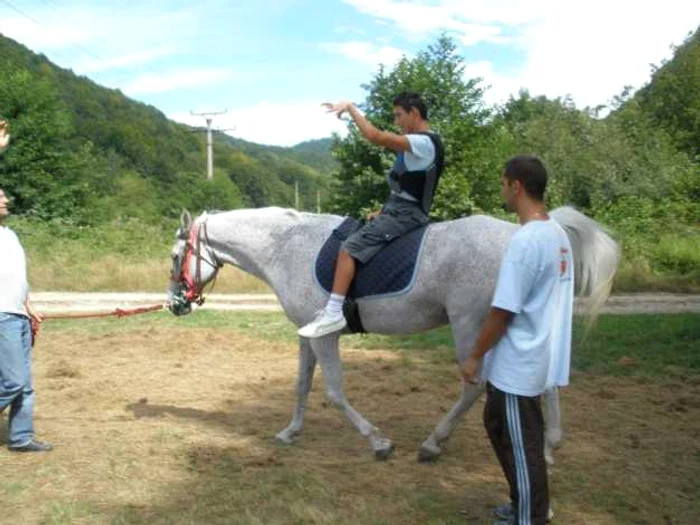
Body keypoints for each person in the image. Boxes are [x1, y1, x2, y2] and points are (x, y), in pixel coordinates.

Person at [462, 155, 573, 524]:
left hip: (519, 365)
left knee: (523, 445)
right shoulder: (556, 234)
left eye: (502, 182)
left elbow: (503, 310)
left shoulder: (525, 241)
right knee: (497, 424)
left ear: (516, 186)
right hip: (535, 358)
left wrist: (475, 354)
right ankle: (525, 503)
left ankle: (531, 517)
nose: (501, 189)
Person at [298, 92, 445, 338]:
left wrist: (351, 108)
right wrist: (385, 209)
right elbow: (409, 188)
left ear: (415, 113)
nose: (397, 122)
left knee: (348, 248)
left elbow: (374, 136)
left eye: (399, 115)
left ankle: (333, 312)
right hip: (398, 209)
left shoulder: (422, 142)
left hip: (407, 215)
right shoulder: (421, 143)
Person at [0, 119, 52, 453]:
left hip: (17, 315)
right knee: (13, 381)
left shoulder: (11, 236)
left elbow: (19, 277)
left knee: (25, 385)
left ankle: (21, 438)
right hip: (0, 316)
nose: (5, 198)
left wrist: (29, 306)